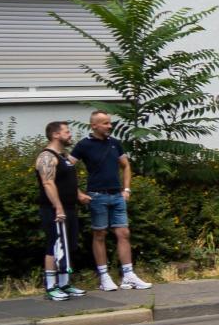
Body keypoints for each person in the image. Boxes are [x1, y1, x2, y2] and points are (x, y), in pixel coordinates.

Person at [72, 111, 150, 292]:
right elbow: (68, 167)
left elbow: (126, 165)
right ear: (94, 126)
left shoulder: (115, 144)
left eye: (110, 122)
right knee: (99, 234)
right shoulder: (84, 145)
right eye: (105, 123)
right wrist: (78, 193)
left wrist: (127, 189)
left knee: (124, 233)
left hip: (117, 195)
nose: (110, 126)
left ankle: (128, 275)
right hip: (97, 196)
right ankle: (104, 276)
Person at [35, 121, 90, 301]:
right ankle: (51, 287)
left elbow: (66, 182)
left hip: (69, 207)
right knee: (53, 245)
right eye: (67, 132)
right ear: (55, 135)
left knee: (67, 246)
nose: (70, 135)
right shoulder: (47, 157)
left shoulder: (64, 156)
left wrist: (79, 195)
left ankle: (65, 283)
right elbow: (48, 183)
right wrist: (58, 207)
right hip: (54, 210)